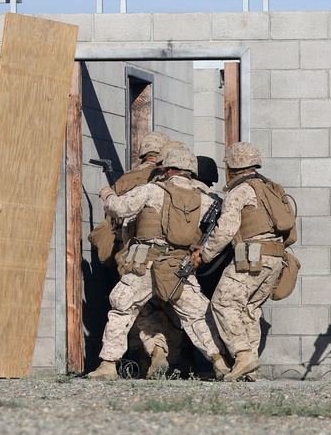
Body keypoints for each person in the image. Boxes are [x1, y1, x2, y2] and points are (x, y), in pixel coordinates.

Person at [86, 148, 229, 380]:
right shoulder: (205, 199)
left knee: (122, 309)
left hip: (145, 262)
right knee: (198, 316)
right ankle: (219, 362)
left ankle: (108, 365)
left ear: (168, 169)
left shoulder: (152, 190)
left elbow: (120, 209)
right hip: (179, 267)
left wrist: (108, 196)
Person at [198, 142, 288, 382]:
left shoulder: (240, 191)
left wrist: (204, 254)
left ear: (232, 166)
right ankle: (249, 371)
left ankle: (243, 354)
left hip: (252, 255)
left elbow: (225, 231)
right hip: (276, 257)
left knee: (223, 302)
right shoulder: (270, 187)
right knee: (249, 308)